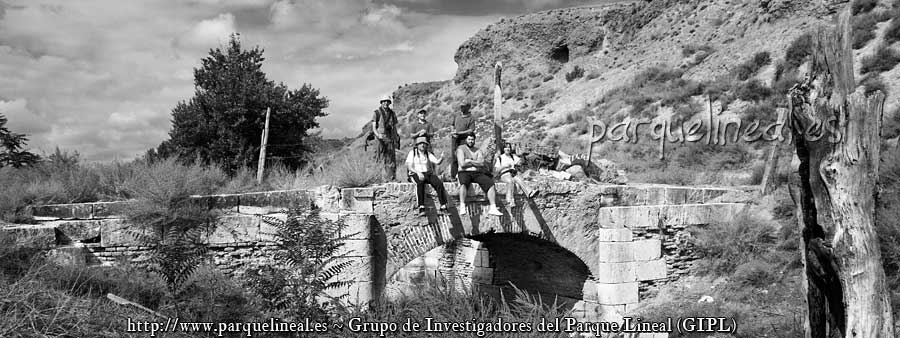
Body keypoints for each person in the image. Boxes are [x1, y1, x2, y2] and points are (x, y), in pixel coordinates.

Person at [456, 134, 502, 216]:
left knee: (490, 184)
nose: (471, 141)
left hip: (476, 173)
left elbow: (481, 163)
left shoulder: (478, 150)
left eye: (472, 139)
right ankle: (462, 206)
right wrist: (475, 162)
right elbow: (462, 164)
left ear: (474, 140)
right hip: (464, 172)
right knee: (463, 183)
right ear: (466, 140)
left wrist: (469, 161)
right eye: (469, 139)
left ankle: (493, 207)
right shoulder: (461, 149)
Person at [406, 137, 448, 215]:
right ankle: (421, 207)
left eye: (424, 144)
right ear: (417, 145)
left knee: (438, 183)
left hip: (427, 173)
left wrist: (442, 158)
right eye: (421, 144)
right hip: (415, 173)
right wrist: (418, 172)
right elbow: (409, 167)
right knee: (420, 183)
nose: (423, 145)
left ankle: (443, 206)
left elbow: (437, 162)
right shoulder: (413, 153)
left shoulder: (427, 154)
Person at [494, 142, 538, 207]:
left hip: (513, 173)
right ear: (503, 149)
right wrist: (504, 166)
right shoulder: (500, 158)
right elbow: (496, 170)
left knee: (519, 179)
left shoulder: (513, 156)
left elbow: (521, 161)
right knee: (510, 181)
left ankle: (529, 192)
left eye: (509, 147)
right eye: (506, 147)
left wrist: (521, 158)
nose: (507, 149)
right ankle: (509, 201)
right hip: (504, 174)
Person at [372, 95, 400, 181]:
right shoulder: (376, 112)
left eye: (388, 101)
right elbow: (373, 127)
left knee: (391, 158)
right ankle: (377, 178)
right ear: (381, 102)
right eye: (384, 101)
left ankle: (392, 178)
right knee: (379, 158)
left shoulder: (392, 114)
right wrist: (378, 135)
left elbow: (394, 127)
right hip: (379, 138)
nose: (386, 103)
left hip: (389, 138)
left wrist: (396, 138)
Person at [448, 102, 476, 180]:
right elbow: (452, 125)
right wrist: (453, 132)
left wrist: (459, 133)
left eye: (463, 106)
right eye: (461, 106)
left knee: (464, 157)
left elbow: (471, 130)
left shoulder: (471, 118)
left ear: (468, 107)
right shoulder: (457, 115)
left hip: (464, 139)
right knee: (454, 157)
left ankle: (464, 175)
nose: (462, 108)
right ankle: (453, 176)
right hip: (455, 138)